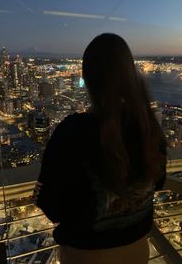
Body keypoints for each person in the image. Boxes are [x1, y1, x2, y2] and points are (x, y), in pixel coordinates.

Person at [33, 33, 167, 264]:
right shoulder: (148, 127)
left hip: (86, 255)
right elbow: (159, 181)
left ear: (88, 78)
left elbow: (51, 206)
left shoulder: (73, 132)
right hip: (137, 250)